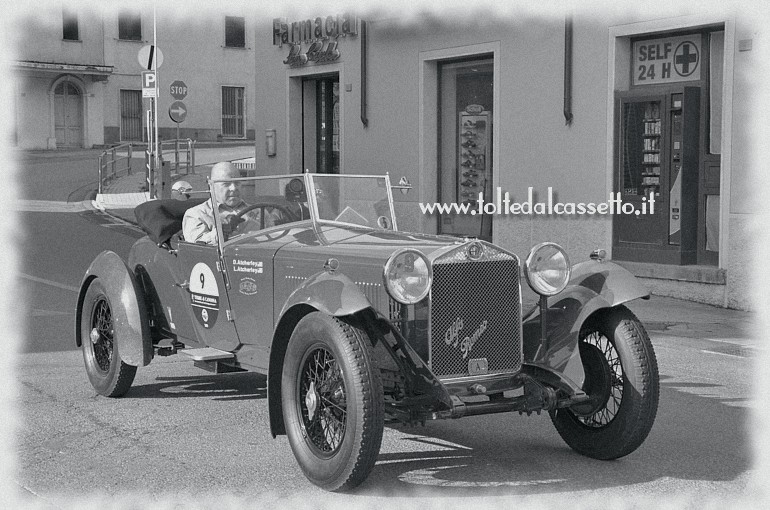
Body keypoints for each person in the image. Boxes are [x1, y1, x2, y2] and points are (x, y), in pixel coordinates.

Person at [182, 162, 261, 244]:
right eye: (226, 184)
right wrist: (222, 230)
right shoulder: (196, 214)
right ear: (211, 186)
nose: (233, 188)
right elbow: (197, 247)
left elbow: (274, 238)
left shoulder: (259, 211)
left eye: (237, 183)